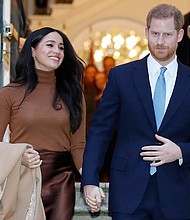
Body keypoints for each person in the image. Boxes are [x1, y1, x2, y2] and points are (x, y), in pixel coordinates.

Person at [81, 4, 190, 220]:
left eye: (167, 34)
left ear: (179, 35)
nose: (159, 41)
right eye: (155, 33)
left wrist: (181, 152)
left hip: (178, 193)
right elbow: (100, 131)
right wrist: (90, 181)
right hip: (128, 191)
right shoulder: (121, 77)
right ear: (146, 32)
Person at [0, 27, 86, 220]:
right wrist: (19, 156)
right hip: (22, 175)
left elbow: (78, 145)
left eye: (61, 47)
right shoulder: (9, 94)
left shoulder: (74, 94)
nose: (57, 51)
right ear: (32, 50)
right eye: (50, 45)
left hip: (61, 180)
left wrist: (89, 182)